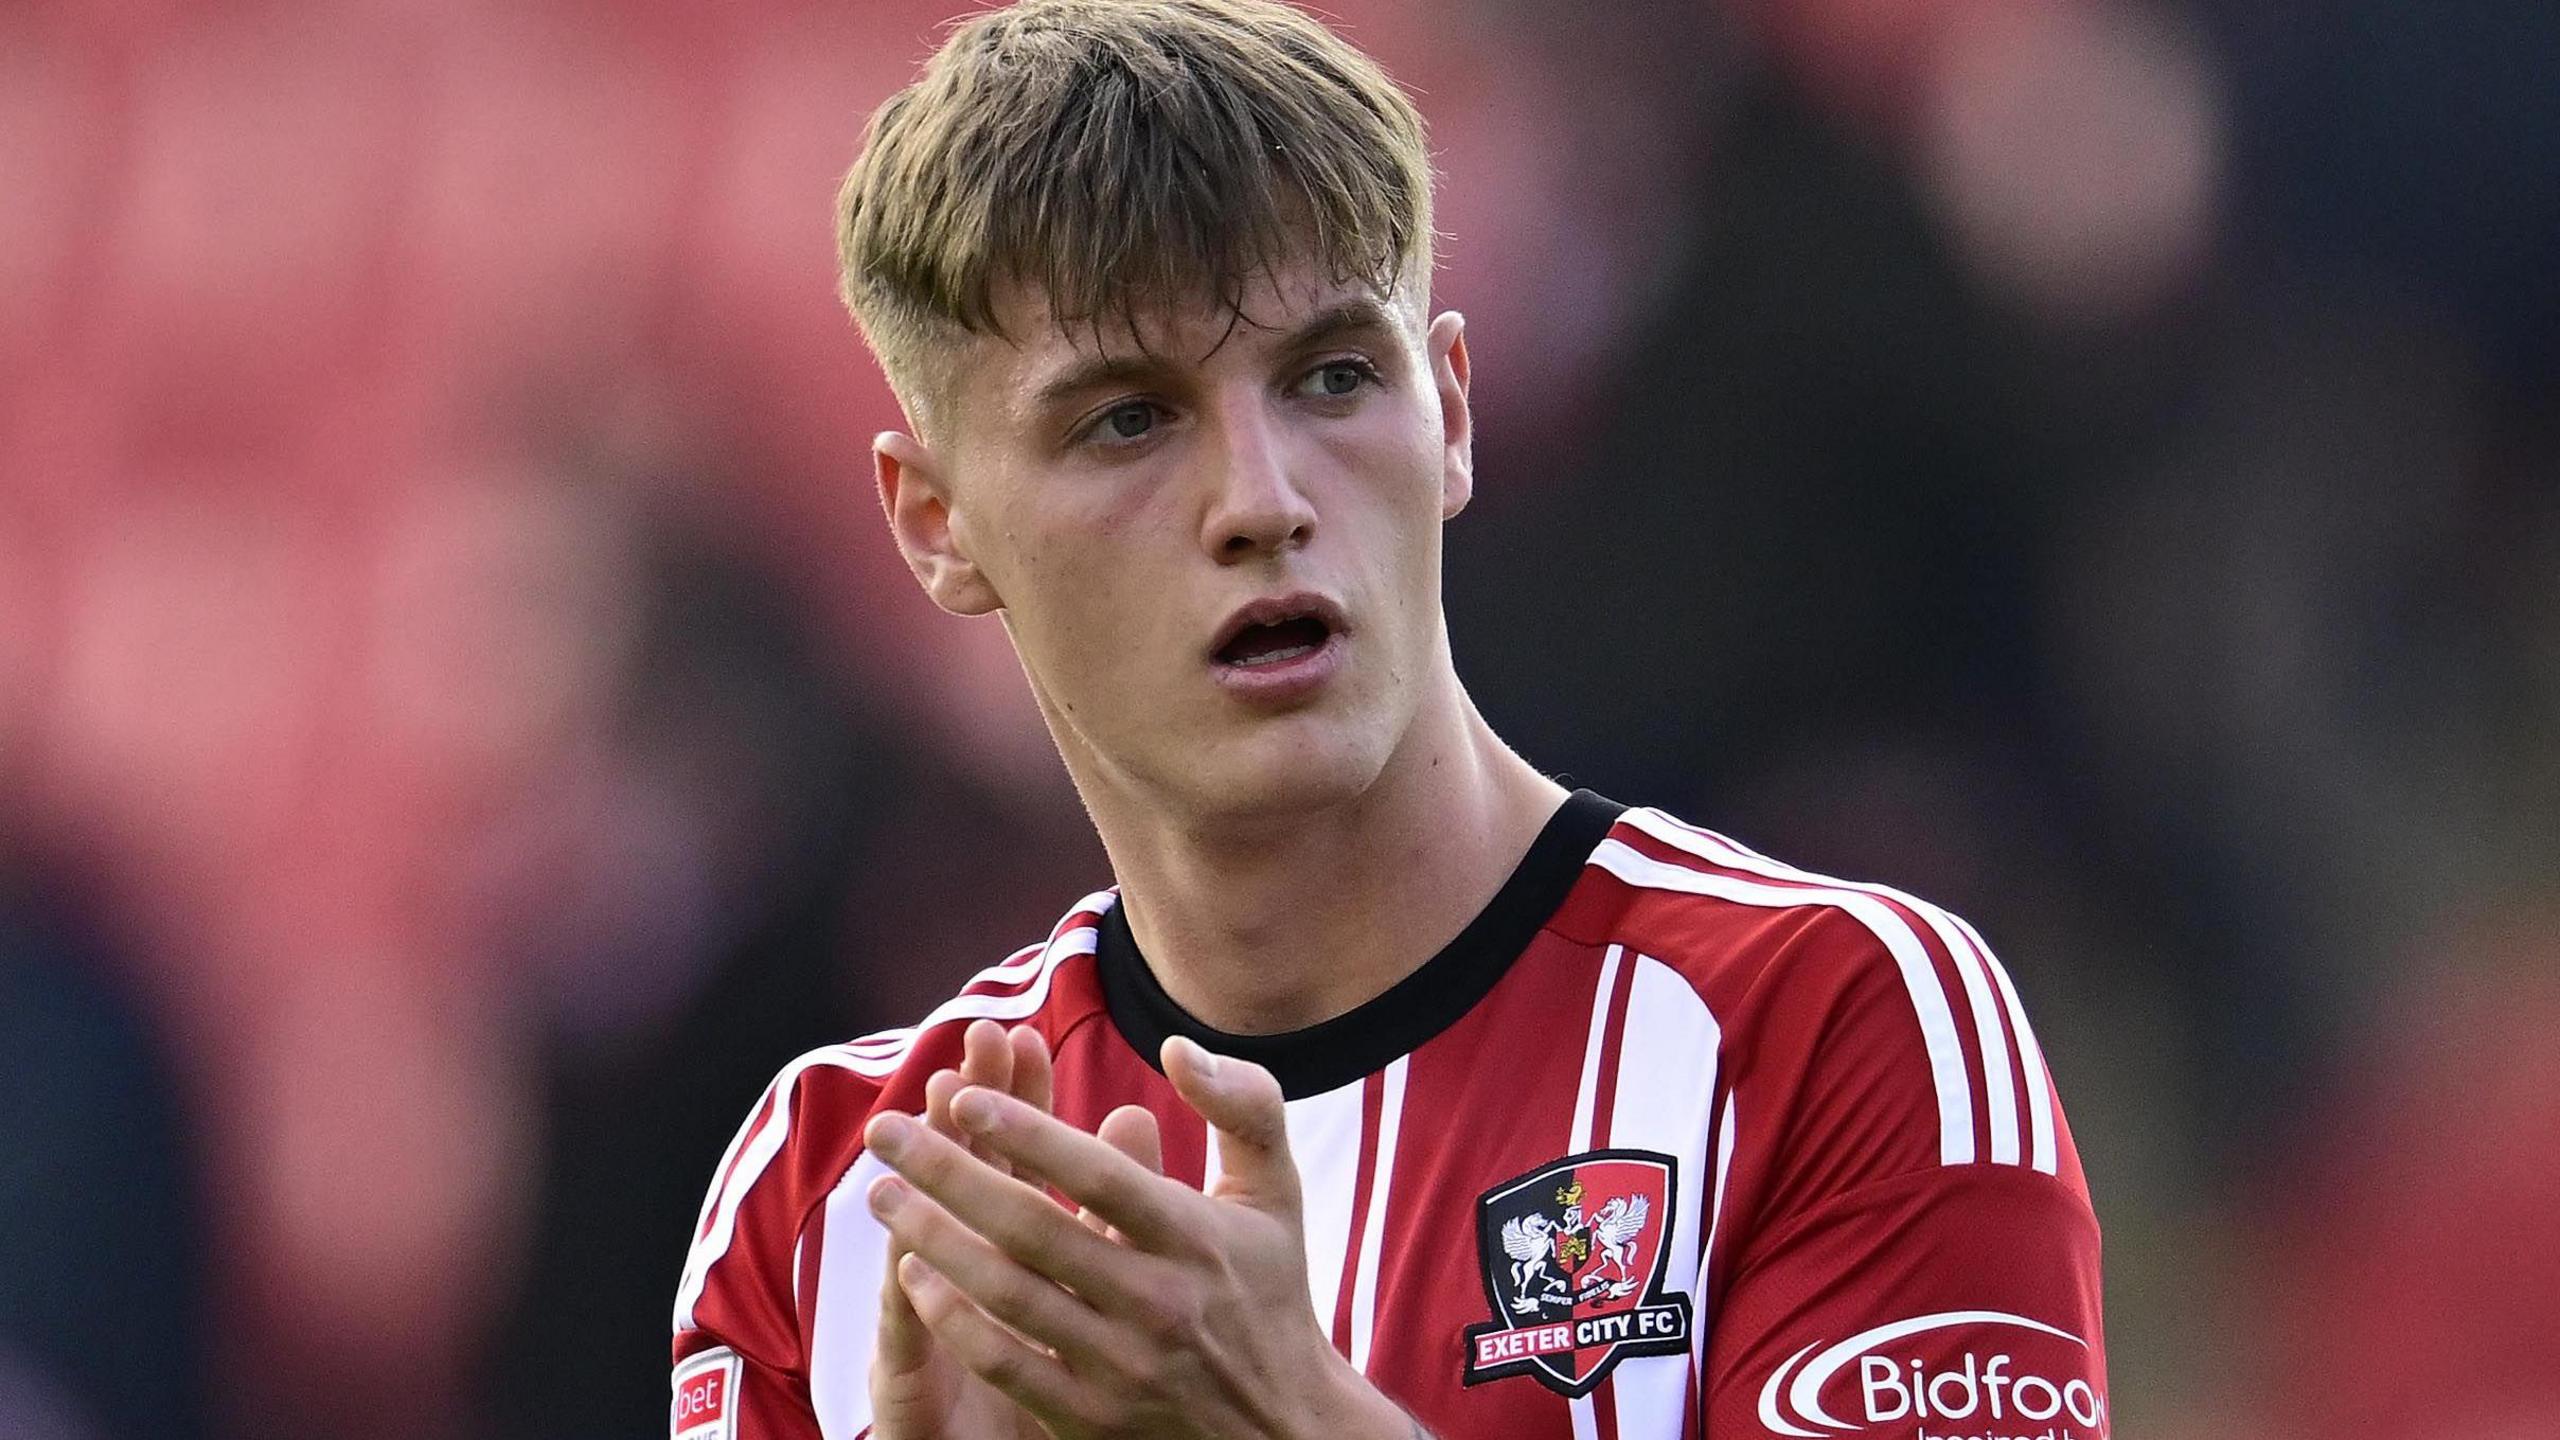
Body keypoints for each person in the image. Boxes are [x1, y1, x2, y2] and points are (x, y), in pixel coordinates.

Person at [670, 3, 2109, 1438]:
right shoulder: (827, 1196)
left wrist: (1295, 1422)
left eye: (1335, 377)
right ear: (937, 526)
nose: (1261, 499)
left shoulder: (1830, 1025)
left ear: (1456, 415)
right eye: (1128, 419)